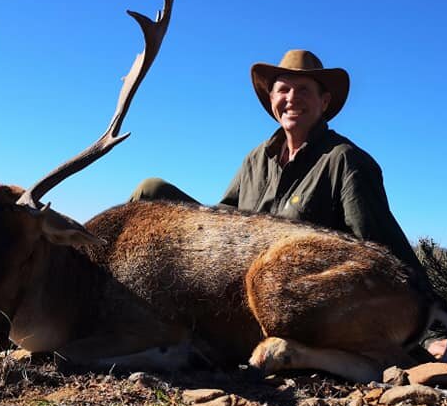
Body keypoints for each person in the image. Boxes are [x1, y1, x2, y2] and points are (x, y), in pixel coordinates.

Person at [131, 49, 425, 277]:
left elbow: (384, 247)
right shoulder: (256, 159)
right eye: (283, 90)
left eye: (303, 90)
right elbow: (223, 217)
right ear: (272, 99)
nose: (291, 98)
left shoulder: (345, 161)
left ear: (324, 102)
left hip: (295, 290)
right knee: (151, 191)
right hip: (234, 275)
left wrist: (433, 330)